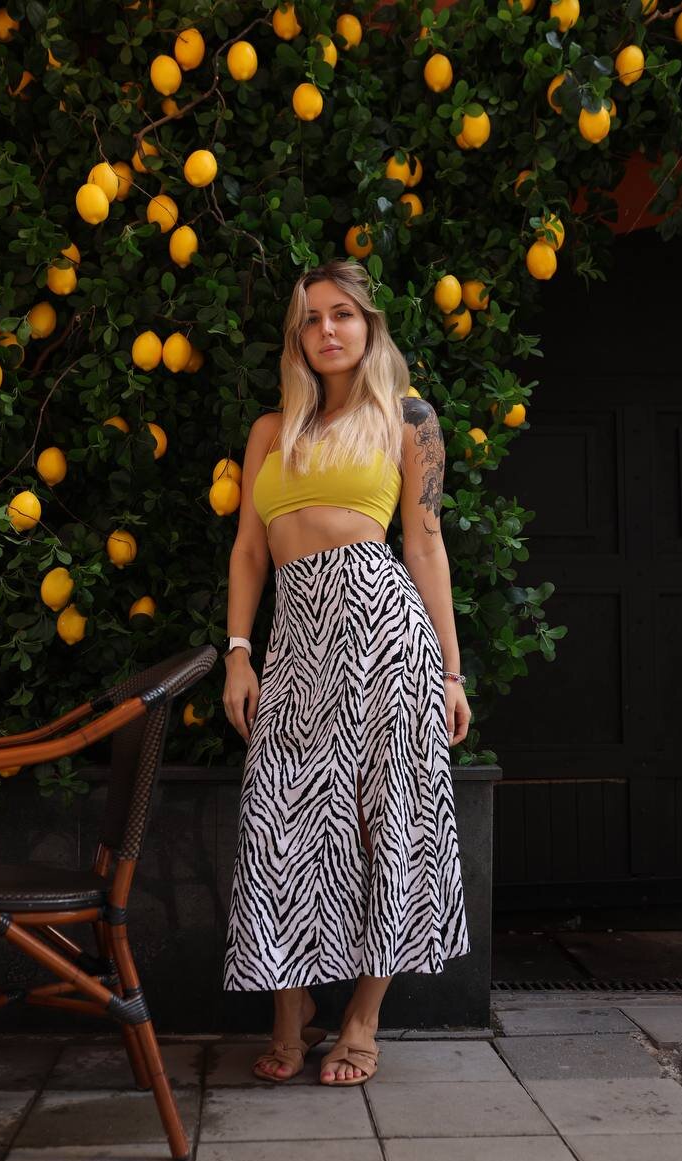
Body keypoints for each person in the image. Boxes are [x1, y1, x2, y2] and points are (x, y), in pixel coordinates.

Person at [221, 259, 471, 1086]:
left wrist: (450, 674)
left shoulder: (408, 418)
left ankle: (361, 1023)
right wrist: (237, 652)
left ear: (369, 326)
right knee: (277, 823)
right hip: (294, 640)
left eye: (342, 314)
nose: (327, 329)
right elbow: (249, 551)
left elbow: (424, 544)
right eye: (311, 318)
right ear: (296, 337)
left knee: (384, 824)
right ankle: (289, 1011)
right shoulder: (271, 430)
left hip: (382, 633)